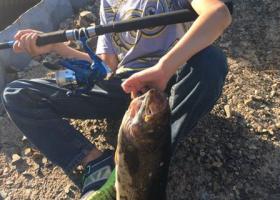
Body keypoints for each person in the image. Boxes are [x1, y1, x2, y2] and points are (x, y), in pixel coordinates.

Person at [1, 0, 232, 198]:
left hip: (172, 76)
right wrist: (57, 46)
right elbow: (106, 67)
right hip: (123, 84)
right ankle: (97, 165)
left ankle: (151, 152)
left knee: (211, 61)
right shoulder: (108, 3)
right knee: (17, 93)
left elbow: (219, 14)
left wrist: (164, 69)